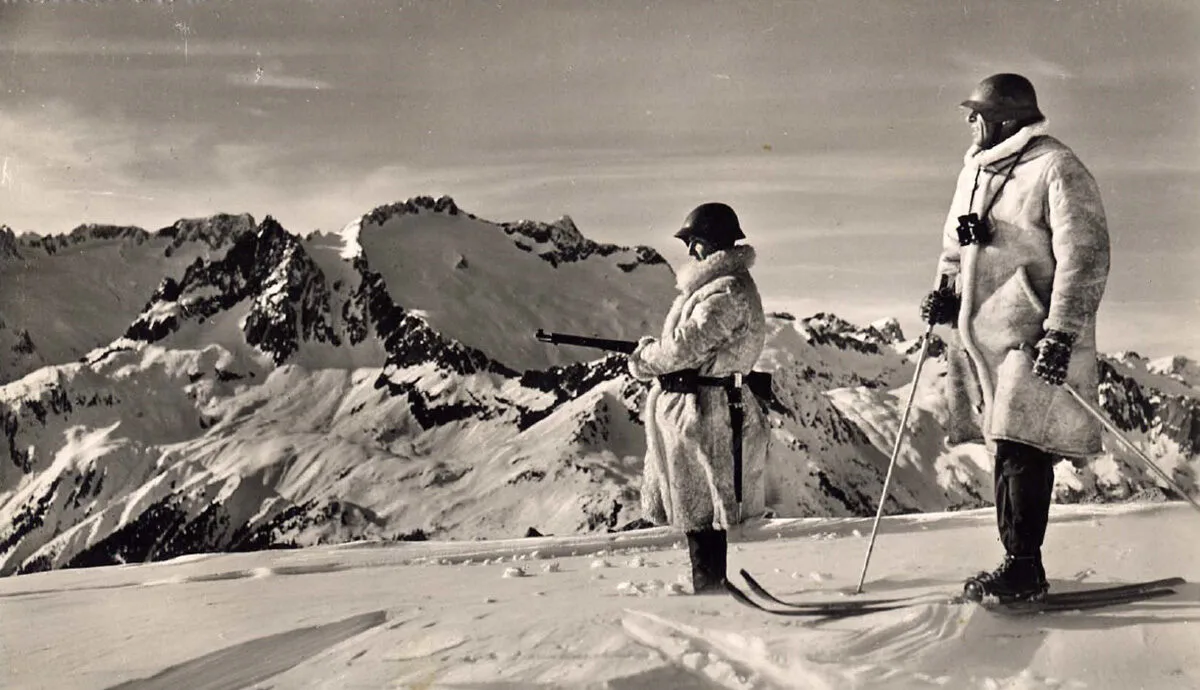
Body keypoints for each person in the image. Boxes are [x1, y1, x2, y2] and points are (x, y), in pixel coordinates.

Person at [922, 73, 1111, 601]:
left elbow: (1085, 258)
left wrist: (1061, 332)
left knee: (1021, 445)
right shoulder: (974, 174)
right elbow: (953, 250)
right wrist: (946, 291)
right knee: (1006, 448)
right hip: (984, 335)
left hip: (1034, 334)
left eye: (977, 112)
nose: (969, 120)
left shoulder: (1055, 167)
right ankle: (1019, 563)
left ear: (1005, 118)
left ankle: (1023, 567)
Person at [627, 202, 770, 594]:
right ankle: (710, 585)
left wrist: (644, 359)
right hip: (701, 411)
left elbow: (684, 348)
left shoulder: (726, 291)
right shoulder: (721, 286)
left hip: (706, 415)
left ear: (715, 244)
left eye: (697, 242)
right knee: (699, 516)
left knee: (702, 514)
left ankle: (710, 590)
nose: (691, 251)